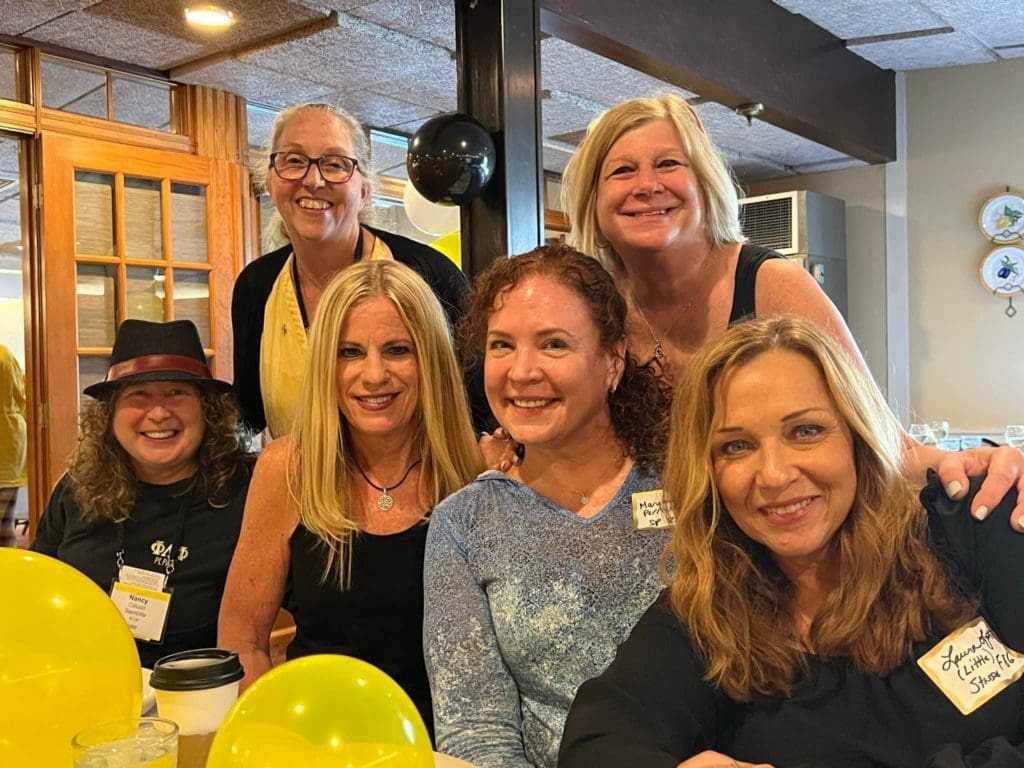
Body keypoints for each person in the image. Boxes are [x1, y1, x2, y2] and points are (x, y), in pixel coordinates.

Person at [558, 316, 1024, 768]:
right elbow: (599, 743)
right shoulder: (706, 614)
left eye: (806, 431)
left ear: (857, 436)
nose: (775, 475)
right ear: (707, 473)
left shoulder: (972, 530)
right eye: (736, 446)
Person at [561, 93, 1024, 527]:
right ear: (593, 200)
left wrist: (969, 466)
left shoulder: (772, 285)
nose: (647, 185)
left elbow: (884, 445)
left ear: (705, 184)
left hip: (771, 554)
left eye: (668, 164)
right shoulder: (592, 306)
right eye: (622, 171)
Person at [423, 244, 673, 768]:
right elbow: (475, 732)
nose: (521, 371)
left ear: (613, 359)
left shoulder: (686, 484)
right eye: (502, 345)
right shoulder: (463, 523)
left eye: (553, 344)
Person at [219, 260, 482, 736]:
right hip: (318, 743)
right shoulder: (288, 469)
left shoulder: (475, 473)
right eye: (350, 352)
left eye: (398, 350)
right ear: (325, 363)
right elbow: (243, 641)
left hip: (445, 749)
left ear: (432, 360)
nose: (373, 374)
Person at [233, 100, 487, 438]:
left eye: (335, 164)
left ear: (364, 191)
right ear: (270, 182)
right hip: (296, 474)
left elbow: (479, 412)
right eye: (294, 161)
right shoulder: (256, 286)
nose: (313, 179)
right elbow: (247, 414)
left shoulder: (430, 275)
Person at [32, 320, 252, 668]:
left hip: (199, 690)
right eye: (138, 394)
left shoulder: (248, 491)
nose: (159, 413)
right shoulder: (77, 489)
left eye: (176, 392)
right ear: (109, 413)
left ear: (207, 409)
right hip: (83, 679)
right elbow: (38, 593)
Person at [0, 344, 27, 547]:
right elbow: (23, 397)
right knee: (5, 526)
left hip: (6, 444)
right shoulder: (5, 354)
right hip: (13, 444)